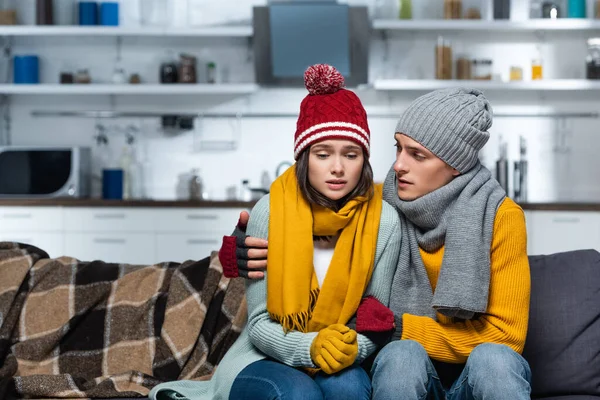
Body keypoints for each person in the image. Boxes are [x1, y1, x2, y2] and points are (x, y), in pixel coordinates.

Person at [220, 87, 532, 399]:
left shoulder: (501, 218)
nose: (398, 166)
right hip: (404, 369)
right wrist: (240, 251)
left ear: (456, 164)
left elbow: (507, 337)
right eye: (399, 149)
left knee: (494, 359)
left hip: (474, 376)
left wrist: (398, 327)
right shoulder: (382, 202)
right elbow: (317, 216)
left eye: (417, 155)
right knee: (402, 356)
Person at [149, 64, 401, 400]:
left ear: (364, 161)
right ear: (304, 157)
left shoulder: (384, 220)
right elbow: (259, 324)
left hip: (342, 353)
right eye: (323, 154)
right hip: (264, 354)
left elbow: (375, 316)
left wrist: (351, 351)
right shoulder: (271, 211)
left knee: (351, 389)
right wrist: (310, 348)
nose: (337, 168)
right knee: (298, 394)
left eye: (351, 154)